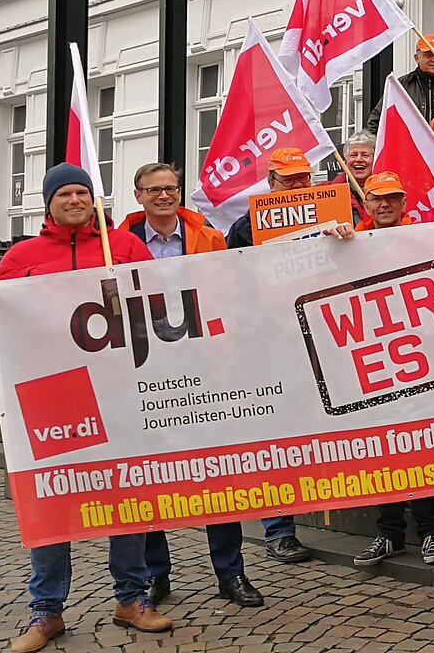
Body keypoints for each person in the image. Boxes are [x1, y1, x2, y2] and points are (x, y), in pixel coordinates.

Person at [0, 165, 176, 652]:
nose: (75, 199)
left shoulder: (123, 247)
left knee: (126, 500)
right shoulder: (23, 255)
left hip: (120, 388)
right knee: (51, 503)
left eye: (83, 191)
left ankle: (131, 598)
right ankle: (47, 612)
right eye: (65, 192)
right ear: (49, 203)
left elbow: (162, 301)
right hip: (52, 396)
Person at [117, 163, 263, 609]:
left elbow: (232, 293)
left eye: (171, 188)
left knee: (218, 475)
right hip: (143, 371)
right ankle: (155, 574)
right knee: (150, 476)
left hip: (205, 370)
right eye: (155, 190)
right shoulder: (119, 245)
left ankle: (231, 573)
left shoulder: (210, 238)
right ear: (138, 195)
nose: (164, 196)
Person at [225, 148, 355, 562]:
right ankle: (279, 529)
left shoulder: (331, 214)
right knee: (279, 437)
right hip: (272, 341)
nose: (299, 187)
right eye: (290, 180)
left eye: (304, 178)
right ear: (271, 183)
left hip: (320, 336)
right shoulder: (245, 227)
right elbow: (236, 287)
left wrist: (343, 238)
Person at [348, 171, 434, 565]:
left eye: (393, 198)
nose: (385, 205)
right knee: (380, 449)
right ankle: (389, 533)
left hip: (419, 359)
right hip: (371, 363)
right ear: (365, 203)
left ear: (405, 204)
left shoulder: (422, 240)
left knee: (421, 446)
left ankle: (431, 532)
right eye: (378, 198)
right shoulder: (348, 243)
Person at [367, 32, 434, 129]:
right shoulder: (401, 86)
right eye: (428, 55)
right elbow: (376, 121)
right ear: (417, 58)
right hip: (411, 144)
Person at [328, 130, 375, 223]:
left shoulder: (387, 194)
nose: (358, 159)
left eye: (365, 155)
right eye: (353, 155)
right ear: (345, 161)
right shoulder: (327, 193)